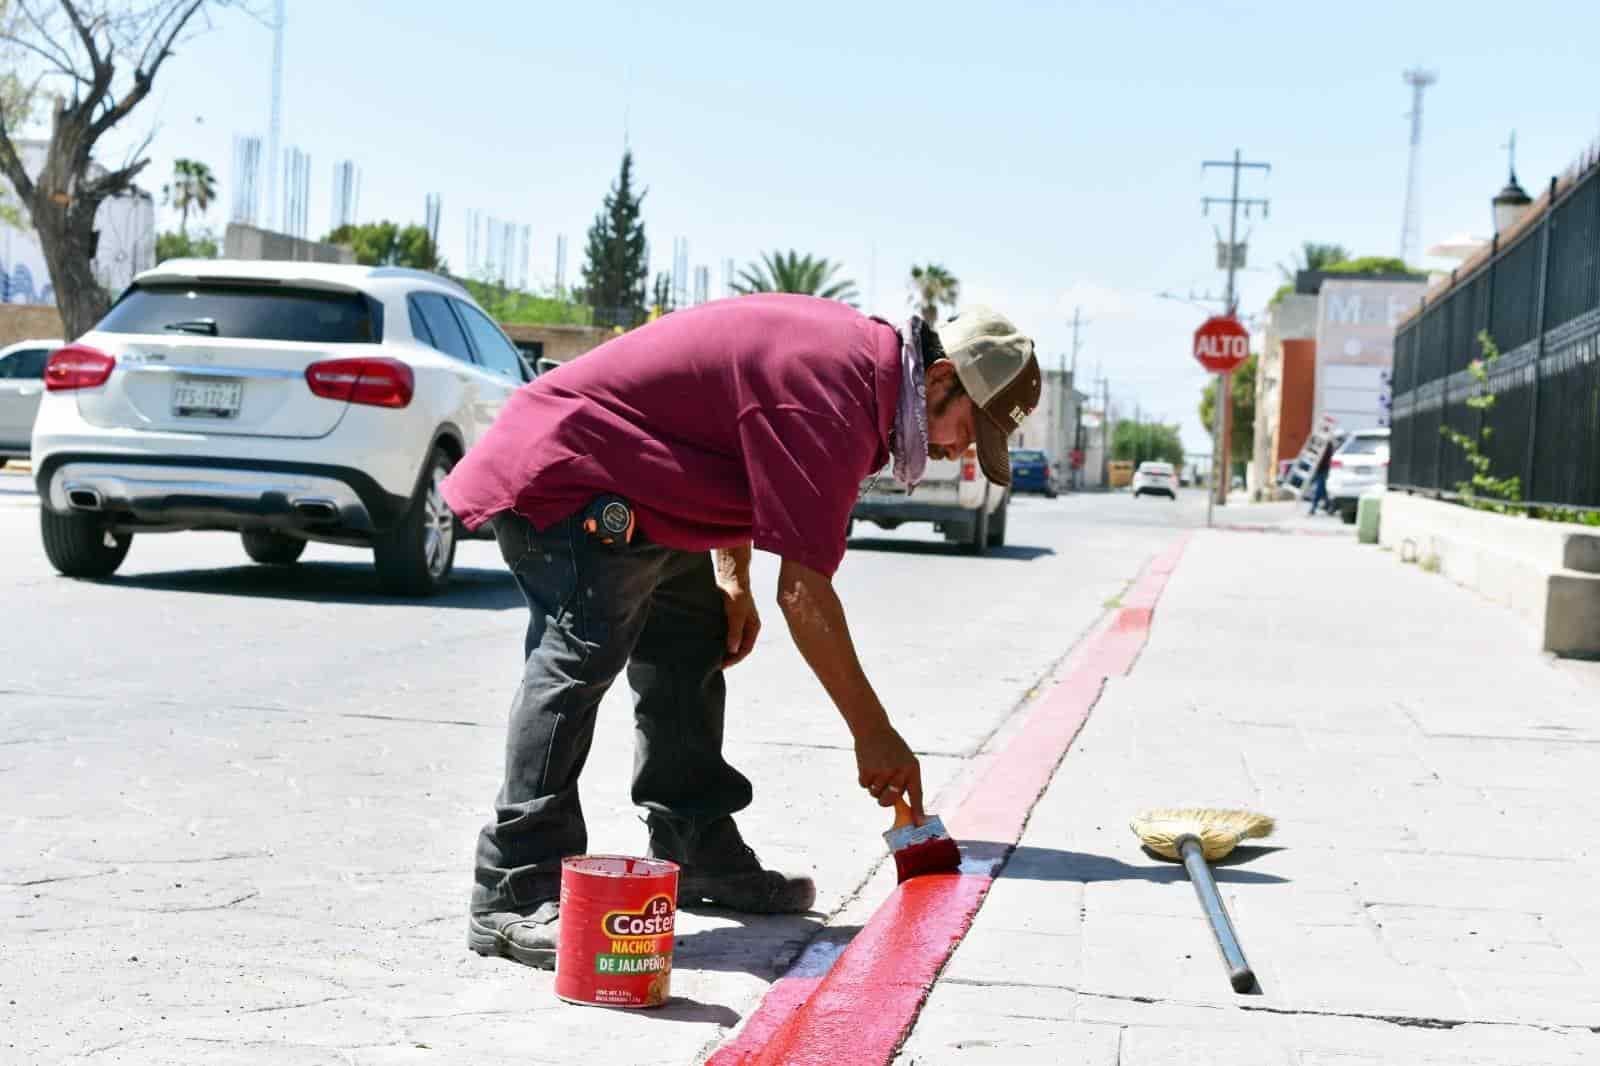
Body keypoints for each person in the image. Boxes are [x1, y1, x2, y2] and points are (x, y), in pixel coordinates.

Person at [440, 294, 1041, 969]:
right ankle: (512, 891)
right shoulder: (837, 391)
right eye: (969, 426)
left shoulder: (862, 378)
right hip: (575, 474)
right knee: (580, 656)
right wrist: (874, 733)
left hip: (646, 490)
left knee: (693, 639)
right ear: (937, 379)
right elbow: (805, 593)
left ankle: (694, 848)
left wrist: (731, 574)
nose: (959, 448)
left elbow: (729, 430)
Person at [1308, 438, 1335, 515]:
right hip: (1318, 469)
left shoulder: (1328, 444)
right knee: (1322, 489)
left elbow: (1326, 457)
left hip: (1324, 469)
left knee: (1320, 488)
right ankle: (1330, 506)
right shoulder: (1319, 443)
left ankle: (1313, 507)